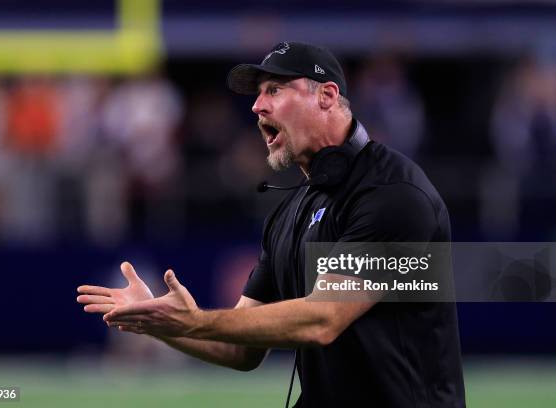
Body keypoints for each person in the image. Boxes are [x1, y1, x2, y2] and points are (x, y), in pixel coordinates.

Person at [77, 41, 466, 407]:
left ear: (327, 97)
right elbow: (241, 349)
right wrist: (160, 323)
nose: (257, 106)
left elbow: (323, 319)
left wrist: (194, 321)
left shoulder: (391, 192)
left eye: (275, 90)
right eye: (258, 93)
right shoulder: (291, 210)